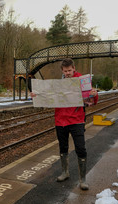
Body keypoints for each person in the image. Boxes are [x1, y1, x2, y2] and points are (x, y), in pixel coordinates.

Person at [31, 58, 98, 190]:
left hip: (76, 120)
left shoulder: (83, 81)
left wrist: (94, 95)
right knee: (63, 147)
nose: (68, 73)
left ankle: (82, 179)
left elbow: (92, 101)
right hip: (60, 120)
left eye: (69, 70)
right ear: (62, 70)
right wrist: (36, 96)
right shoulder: (58, 83)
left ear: (74, 68)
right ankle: (65, 172)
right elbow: (47, 96)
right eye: (65, 71)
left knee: (81, 148)